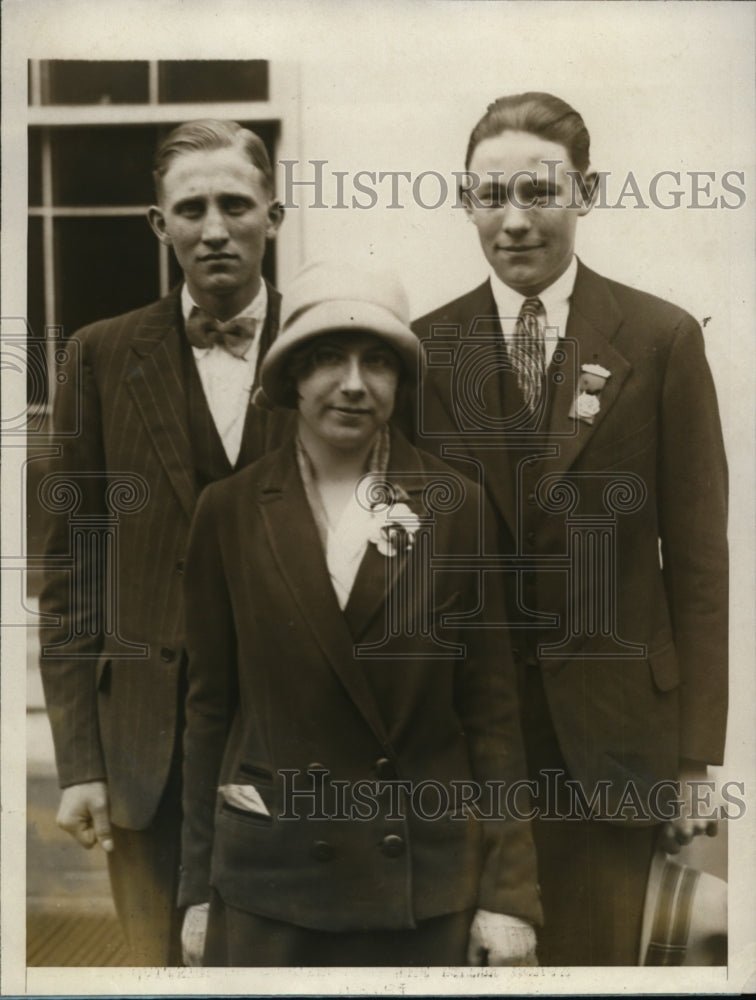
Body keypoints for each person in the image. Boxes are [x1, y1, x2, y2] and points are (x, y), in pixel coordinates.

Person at [411, 92, 728, 965]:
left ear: (585, 193)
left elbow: (698, 563)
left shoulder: (660, 340)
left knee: (598, 967)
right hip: (467, 746)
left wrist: (693, 761)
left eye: (540, 192)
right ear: (466, 201)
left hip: (615, 744)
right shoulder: (424, 350)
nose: (514, 220)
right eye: (491, 195)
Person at [178, 259, 542, 967]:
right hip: (271, 880)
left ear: (400, 381)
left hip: (422, 883)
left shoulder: (456, 506)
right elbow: (208, 710)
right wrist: (197, 891)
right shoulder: (228, 510)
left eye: (377, 361)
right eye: (327, 359)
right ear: (291, 377)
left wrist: (507, 897)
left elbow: (493, 711)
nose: (352, 384)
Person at [38, 119, 289, 965]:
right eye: (191, 208)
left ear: (273, 215)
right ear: (159, 224)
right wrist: (80, 762)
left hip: (297, 745)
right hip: (147, 750)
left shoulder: (329, 351)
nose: (214, 228)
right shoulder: (99, 356)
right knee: (155, 969)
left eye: (235, 205)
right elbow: (71, 573)